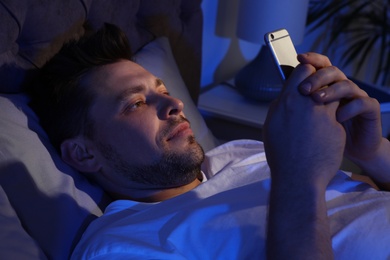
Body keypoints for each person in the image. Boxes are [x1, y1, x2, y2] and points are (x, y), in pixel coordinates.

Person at [29, 23, 390, 259]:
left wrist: (373, 153)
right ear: (82, 153)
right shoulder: (122, 245)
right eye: (137, 103)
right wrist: (299, 177)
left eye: (165, 90)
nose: (175, 104)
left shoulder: (241, 154)